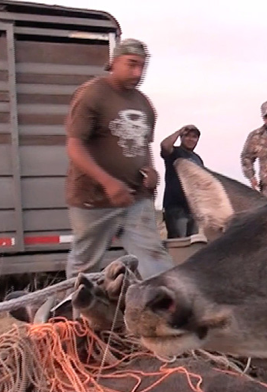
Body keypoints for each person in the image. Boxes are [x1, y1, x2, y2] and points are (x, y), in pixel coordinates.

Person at [63, 38, 174, 280]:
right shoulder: (92, 94)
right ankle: (75, 304)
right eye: (132, 64)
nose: (138, 73)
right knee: (85, 267)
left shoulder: (144, 103)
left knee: (155, 258)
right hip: (94, 198)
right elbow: (74, 146)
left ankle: (162, 303)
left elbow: (144, 145)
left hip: (135, 198)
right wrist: (109, 183)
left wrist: (151, 171)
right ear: (114, 62)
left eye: (142, 66)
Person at [159, 124, 204, 238]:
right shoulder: (174, 152)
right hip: (176, 207)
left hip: (193, 209)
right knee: (178, 242)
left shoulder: (197, 159)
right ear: (181, 138)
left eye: (194, 137)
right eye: (187, 136)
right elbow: (164, 145)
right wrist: (179, 131)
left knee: (193, 242)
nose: (190, 139)